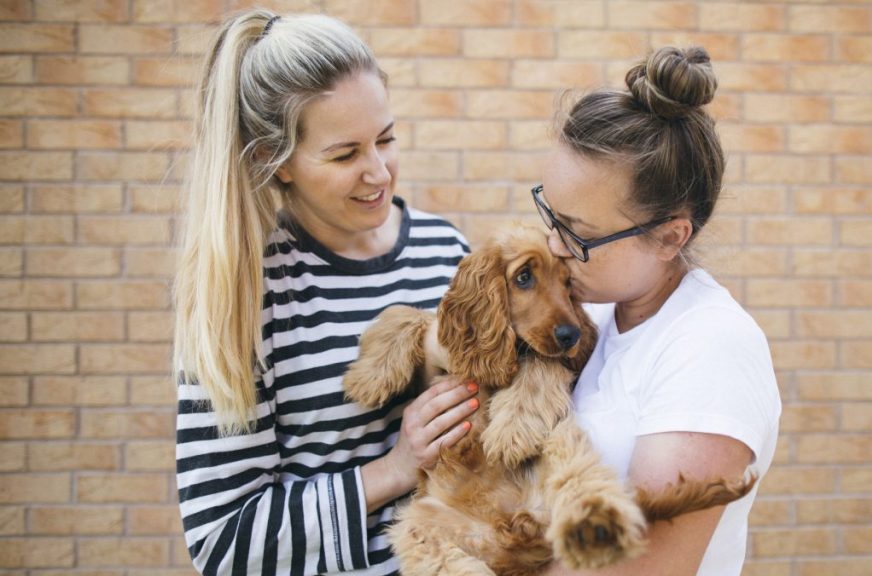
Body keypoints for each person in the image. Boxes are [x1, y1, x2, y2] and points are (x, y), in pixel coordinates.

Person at [172, 10, 479, 575]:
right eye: (344, 155)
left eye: (385, 139)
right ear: (274, 160)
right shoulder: (243, 296)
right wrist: (393, 470)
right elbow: (221, 542)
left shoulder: (446, 250)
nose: (379, 171)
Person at [533, 46, 782, 575]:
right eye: (551, 216)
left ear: (670, 236)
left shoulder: (710, 347)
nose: (554, 244)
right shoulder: (596, 315)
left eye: (580, 233)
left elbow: (638, 567)